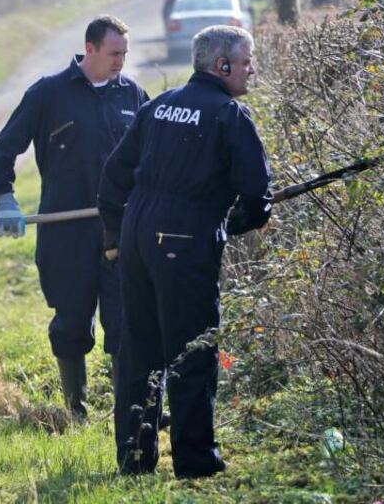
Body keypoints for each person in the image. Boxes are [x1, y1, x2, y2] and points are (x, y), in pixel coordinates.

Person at [98, 25, 273, 478]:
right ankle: (196, 463)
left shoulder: (158, 106)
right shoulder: (230, 116)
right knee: (192, 352)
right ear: (223, 66)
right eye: (248, 60)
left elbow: (113, 176)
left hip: (136, 239)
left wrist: (116, 241)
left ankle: (135, 461)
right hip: (184, 245)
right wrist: (235, 222)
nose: (252, 69)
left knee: (140, 352)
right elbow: (257, 190)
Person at [0, 16, 149, 419]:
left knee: (125, 320)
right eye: (114, 53)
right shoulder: (48, 94)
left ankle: (130, 406)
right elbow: (4, 149)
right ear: (89, 49)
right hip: (66, 232)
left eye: (125, 54)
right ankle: (76, 409)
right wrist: (4, 196)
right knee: (72, 323)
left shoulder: (134, 96)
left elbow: (154, 157)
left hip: (120, 231)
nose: (120, 62)